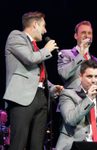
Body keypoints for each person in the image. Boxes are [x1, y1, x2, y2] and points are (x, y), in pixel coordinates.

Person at [3, 11, 63, 150]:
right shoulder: (16, 36)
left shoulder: (37, 49)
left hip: (41, 98)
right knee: (19, 144)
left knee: (37, 145)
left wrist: (52, 87)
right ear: (35, 24)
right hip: (22, 98)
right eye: (43, 26)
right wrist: (46, 49)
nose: (45, 30)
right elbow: (29, 59)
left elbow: (37, 75)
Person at [57, 20, 97, 88]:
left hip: (91, 97)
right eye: (83, 32)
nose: (87, 36)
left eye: (89, 33)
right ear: (76, 36)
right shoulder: (65, 54)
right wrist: (80, 55)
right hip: (73, 97)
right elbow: (64, 74)